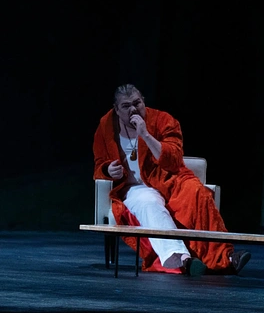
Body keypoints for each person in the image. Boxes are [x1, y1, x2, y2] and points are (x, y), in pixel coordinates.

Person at [92, 83, 251, 276]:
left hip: (168, 180)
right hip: (136, 188)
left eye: (137, 103)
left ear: (143, 102)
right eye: (126, 106)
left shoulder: (163, 120)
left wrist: (145, 135)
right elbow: (99, 164)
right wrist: (108, 170)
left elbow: (174, 159)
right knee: (149, 203)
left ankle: (226, 257)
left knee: (198, 193)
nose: (133, 109)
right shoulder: (106, 126)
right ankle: (183, 260)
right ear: (117, 110)